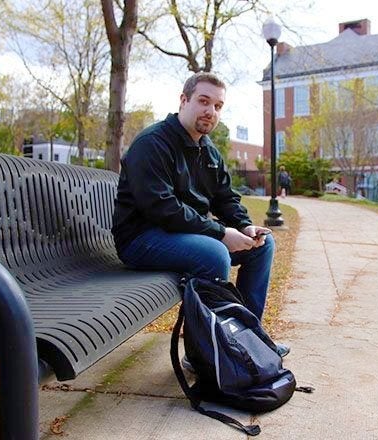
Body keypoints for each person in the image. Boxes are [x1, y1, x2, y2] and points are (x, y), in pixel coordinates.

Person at [112, 72, 288, 356]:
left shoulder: (210, 153)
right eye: (203, 101)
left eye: (218, 106)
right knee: (215, 254)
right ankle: (205, 354)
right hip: (142, 238)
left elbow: (226, 198)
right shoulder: (153, 143)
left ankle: (249, 340)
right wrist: (220, 233)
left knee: (263, 245)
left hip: (181, 234)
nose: (211, 111)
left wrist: (244, 227)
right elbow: (162, 208)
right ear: (184, 100)